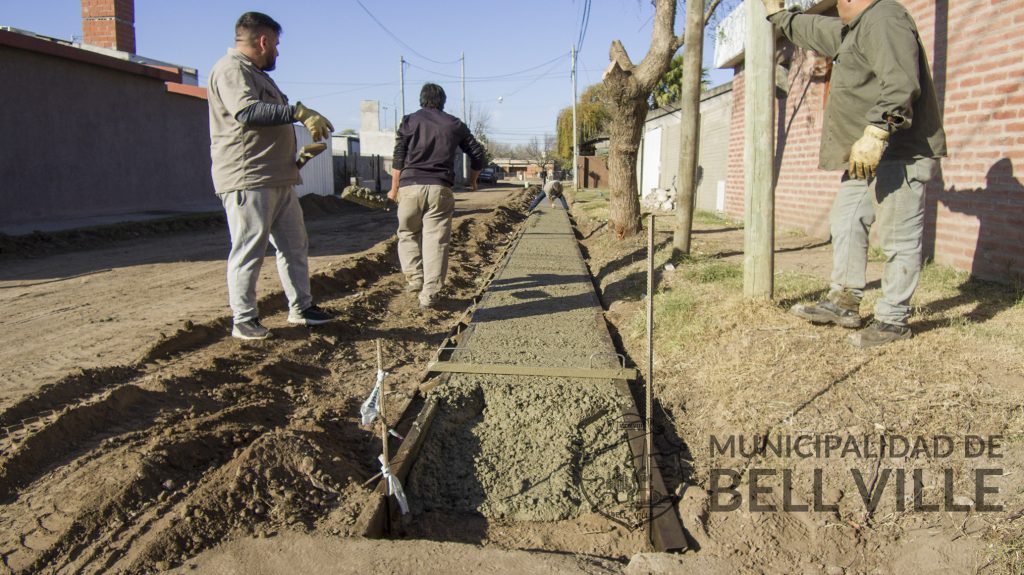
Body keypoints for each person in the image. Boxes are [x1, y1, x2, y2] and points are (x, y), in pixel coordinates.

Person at [763, 0, 946, 348]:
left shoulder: (885, 18)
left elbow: (902, 82)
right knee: (845, 221)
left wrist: (878, 130)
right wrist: (779, 15)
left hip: (898, 151)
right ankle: (844, 302)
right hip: (863, 158)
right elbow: (813, 29)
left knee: (898, 237)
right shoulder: (851, 31)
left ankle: (893, 320)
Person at [208, 12, 335, 340]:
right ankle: (244, 319)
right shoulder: (231, 70)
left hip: (278, 177)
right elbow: (248, 113)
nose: (277, 52)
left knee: (294, 245)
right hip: (248, 179)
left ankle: (301, 307)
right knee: (249, 248)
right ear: (262, 41)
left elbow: (266, 126)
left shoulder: (257, 75)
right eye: (276, 45)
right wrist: (297, 112)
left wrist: (297, 158)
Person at [388, 83, 486, 309]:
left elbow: (398, 158)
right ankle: (430, 294)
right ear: (443, 101)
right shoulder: (454, 124)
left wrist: (394, 189)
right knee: (436, 241)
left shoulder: (409, 121)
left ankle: (415, 278)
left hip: (409, 188)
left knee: (407, 233)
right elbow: (478, 155)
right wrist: (472, 180)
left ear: (421, 100)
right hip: (440, 190)